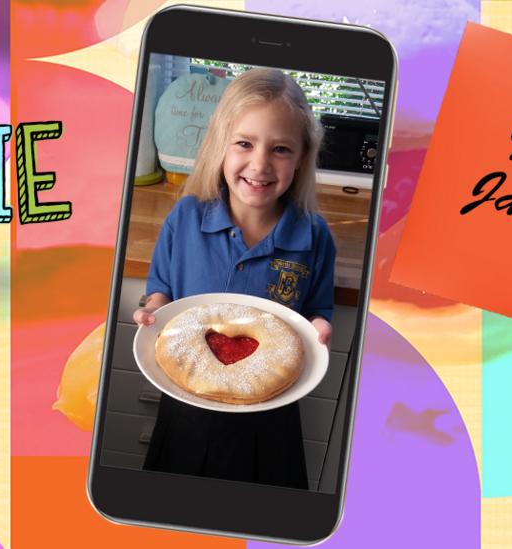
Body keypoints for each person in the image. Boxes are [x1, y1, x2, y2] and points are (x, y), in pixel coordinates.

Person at [133, 67, 336, 489]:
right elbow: (161, 289)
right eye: (245, 143)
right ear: (220, 146)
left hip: (271, 414)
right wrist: (150, 310)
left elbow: (317, 308)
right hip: (188, 405)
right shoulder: (186, 218)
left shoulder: (313, 235)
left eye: (280, 149)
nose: (260, 164)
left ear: (300, 158)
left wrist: (320, 326)